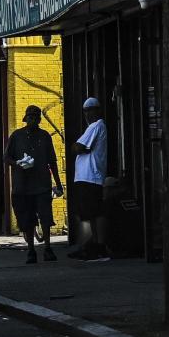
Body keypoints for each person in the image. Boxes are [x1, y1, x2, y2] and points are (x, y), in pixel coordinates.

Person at [5, 106, 61, 264]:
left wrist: (58, 183)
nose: (33, 120)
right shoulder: (16, 136)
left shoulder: (44, 137)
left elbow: (52, 162)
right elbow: (6, 157)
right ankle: (31, 249)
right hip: (23, 186)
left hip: (42, 185)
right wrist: (18, 163)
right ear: (26, 119)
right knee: (27, 219)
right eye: (30, 117)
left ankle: (48, 247)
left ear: (39, 120)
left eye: (36, 118)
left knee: (45, 217)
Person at [69, 98, 110, 259]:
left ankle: (97, 246)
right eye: (85, 110)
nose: (87, 113)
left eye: (90, 109)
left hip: (90, 176)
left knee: (93, 213)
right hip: (88, 177)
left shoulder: (96, 126)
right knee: (89, 213)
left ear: (97, 110)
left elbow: (77, 147)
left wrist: (76, 147)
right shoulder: (95, 127)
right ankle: (92, 244)